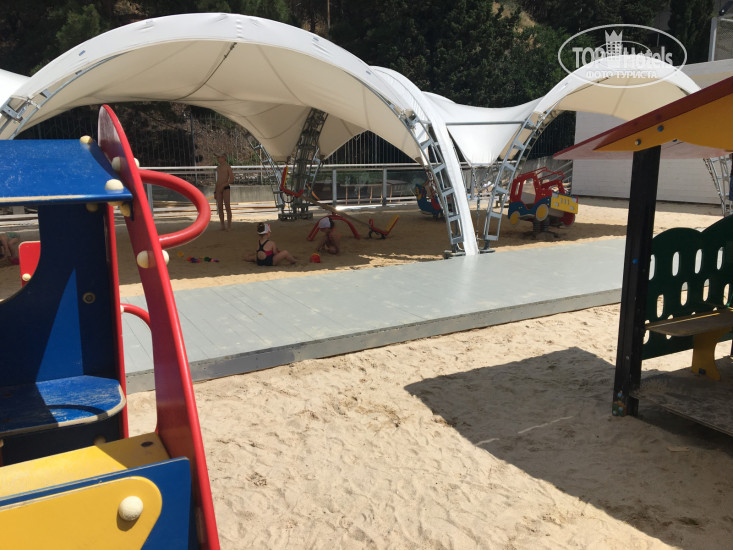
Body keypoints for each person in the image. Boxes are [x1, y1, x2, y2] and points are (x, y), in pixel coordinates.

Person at [215, 152, 234, 231]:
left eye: (219, 157)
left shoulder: (228, 167)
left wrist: (224, 185)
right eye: (217, 157)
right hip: (218, 188)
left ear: (224, 158)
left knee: (227, 206)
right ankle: (222, 225)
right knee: (220, 207)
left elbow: (232, 179)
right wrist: (215, 191)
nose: (217, 159)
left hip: (225, 188)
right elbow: (218, 180)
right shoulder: (218, 168)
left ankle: (229, 225)